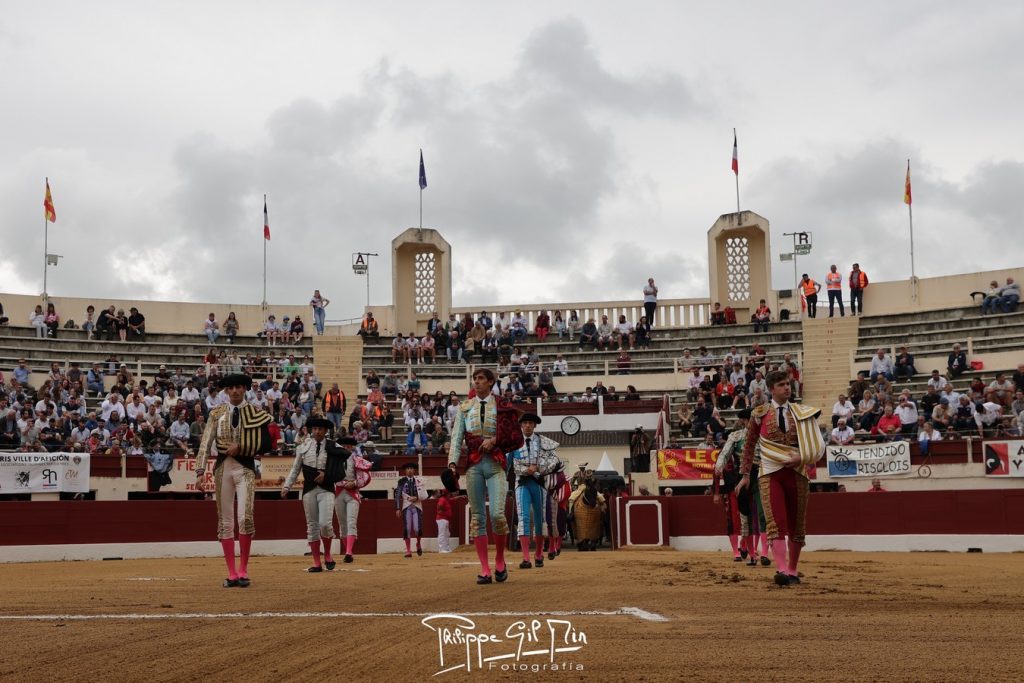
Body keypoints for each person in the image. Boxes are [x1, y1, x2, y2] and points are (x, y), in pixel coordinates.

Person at [737, 370, 826, 587]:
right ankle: (781, 569)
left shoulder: (802, 413)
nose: (787, 387)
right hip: (769, 473)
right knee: (775, 522)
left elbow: (817, 445)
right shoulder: (759, 414)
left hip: (797, 472)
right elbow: (749, 445)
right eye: (782, 385)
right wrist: (745, 475)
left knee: (797, 524)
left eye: (788, 384)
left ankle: (793, 570)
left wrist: (801, 457)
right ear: (771, 389)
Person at [195, 373, 274, 588]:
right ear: (226, 391)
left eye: (239, 387)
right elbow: (205, 442)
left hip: (245, 468)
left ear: (245, 389)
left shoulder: (256, 413)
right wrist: (200, 471)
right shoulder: (216, 413)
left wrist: (242, 447)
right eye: (231, 388)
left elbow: (266, 444)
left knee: (245, 517)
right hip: (223, 469)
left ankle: (243, 570)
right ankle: (231, 572)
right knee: (226, 521)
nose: (235, 391)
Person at [448, 368, 524, 584]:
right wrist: (452, 463)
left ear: (490, 382)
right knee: (478, 518)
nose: (477, 382)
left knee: (498, 515)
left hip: (495, 464)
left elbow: (513, 433)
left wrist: (494, 441)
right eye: (475, 379)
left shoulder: (501, 404)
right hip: (473, 465)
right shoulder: (465, 408)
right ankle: (484, 568)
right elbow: (456, 438)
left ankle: (499, 560)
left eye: (481, 379)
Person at [281, 417, 337, 572]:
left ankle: (327, 555)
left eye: (320, 429)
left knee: (325, 524)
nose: (317, 432)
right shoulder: (303, 446)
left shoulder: (333, 446)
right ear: (312, 430)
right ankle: (317, 562)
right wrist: (287, 485)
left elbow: (341, 467)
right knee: (312, 526)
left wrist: (327, 475)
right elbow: (295, 468)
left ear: (325, 431)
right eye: (315, 429)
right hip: (309, 489)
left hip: (326, 488)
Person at [512, 413, 560, 569]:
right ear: (521, 425)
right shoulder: (515, 442)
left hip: (539, 484)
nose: (527, 425)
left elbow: (555, 461)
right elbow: (512, 465)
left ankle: (539, 554)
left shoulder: (542, 441)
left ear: (534, 426)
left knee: (540, 520)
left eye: (530, 423)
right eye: (525, 423)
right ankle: (526, 557)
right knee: (523, 517)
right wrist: (528, 470)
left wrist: (539, 468)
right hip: (522, 484)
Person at [395, 462, 427, 558]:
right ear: (405, 470)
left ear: (414, 470)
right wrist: (397, 508)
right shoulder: (401, 481)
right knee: (407, 528)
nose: (409, 470)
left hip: (417, 506)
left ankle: (418, 543)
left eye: (411, 468)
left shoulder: (419, 481)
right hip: (406, 507)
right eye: (407, 468)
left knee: (417, 529)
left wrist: (416, 498)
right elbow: (397, 495)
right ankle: (408, 551)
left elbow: (424, 495)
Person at [436, 487, 454, 554]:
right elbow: (440, 505)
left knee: (446, 534)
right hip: (441, 519)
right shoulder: (443, 499)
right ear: (446, 494)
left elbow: (453, 499)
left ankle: (446, 548)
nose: (450, 495)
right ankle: (441, 548)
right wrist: (441, 511)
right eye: (449, 494)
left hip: (445, 519)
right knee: (442, 534)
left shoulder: (445, 499)